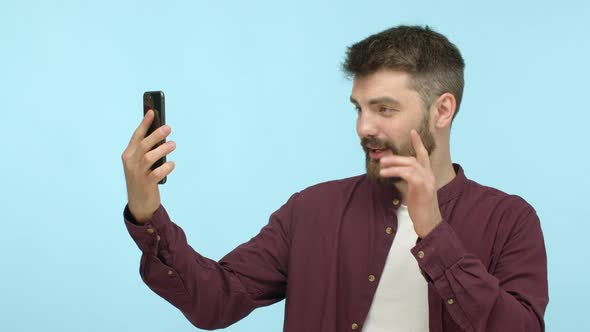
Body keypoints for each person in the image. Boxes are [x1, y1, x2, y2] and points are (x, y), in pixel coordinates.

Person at [121, 25, 548, 331]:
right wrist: (147, 213)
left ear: (442, 110)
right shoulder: (310, 210)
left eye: (383, 109)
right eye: (358, 108)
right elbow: (213, 301)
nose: (363, 127)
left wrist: (434, 232)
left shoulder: (509, 220)